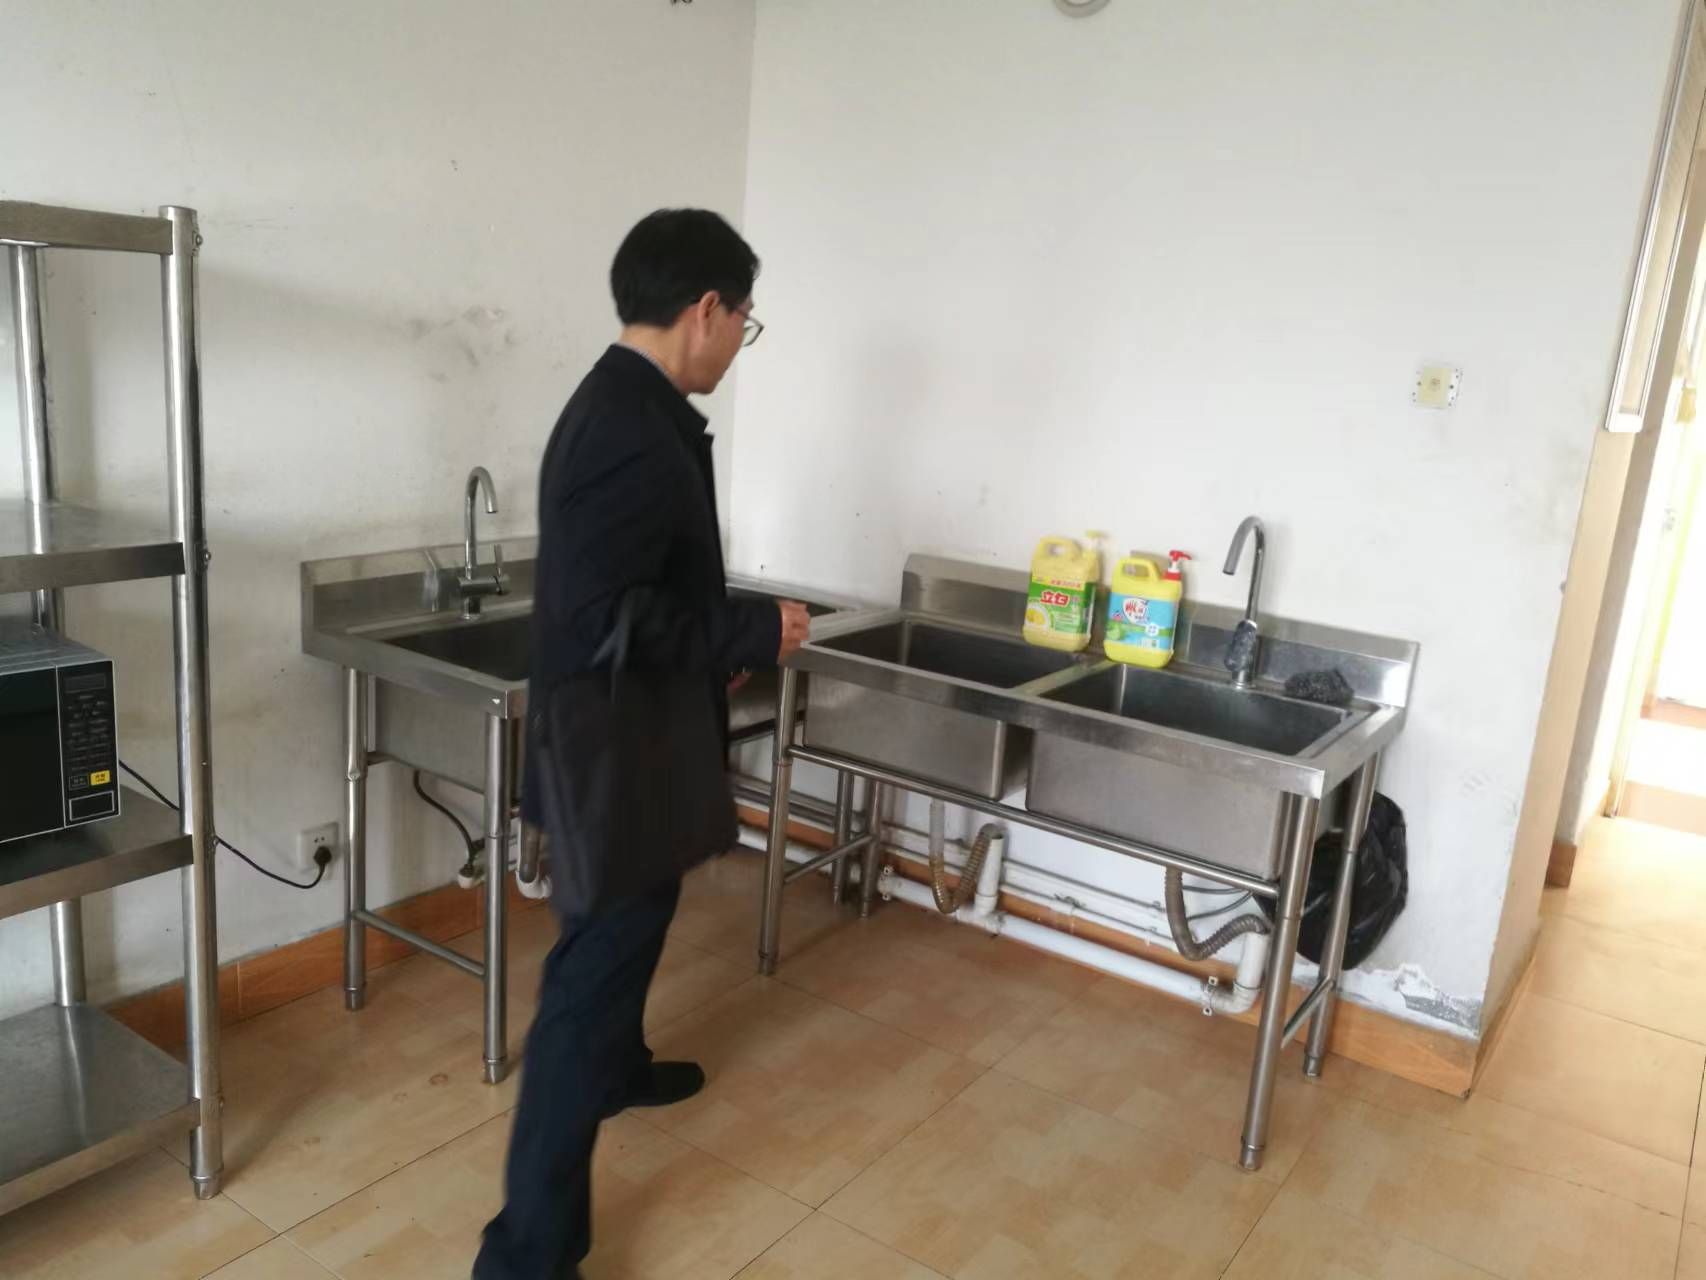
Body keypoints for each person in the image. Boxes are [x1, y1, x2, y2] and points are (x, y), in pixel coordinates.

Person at [473, 209, 810, 1280]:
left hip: (633, 733)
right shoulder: (627, 425)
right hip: (611, 751)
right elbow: (602, 618)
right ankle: (523, 1256)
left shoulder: (635, 406)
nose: (740, 341)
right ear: (706, 309)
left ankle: (618, 1068)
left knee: (633, 923)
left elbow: (639, 589)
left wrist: (715, 647)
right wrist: (748, 631)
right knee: (586, 983)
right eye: (744, 320)